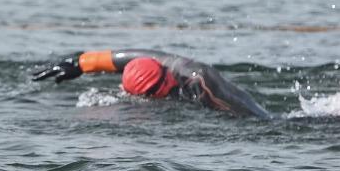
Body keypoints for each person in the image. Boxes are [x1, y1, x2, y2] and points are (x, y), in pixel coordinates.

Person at [32, 48, 273, 119]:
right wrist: (80, 63)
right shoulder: (155, 62)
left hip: (245, 110)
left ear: (164, 86)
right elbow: (124, 56)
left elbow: (245, 115)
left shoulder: (203, 85)